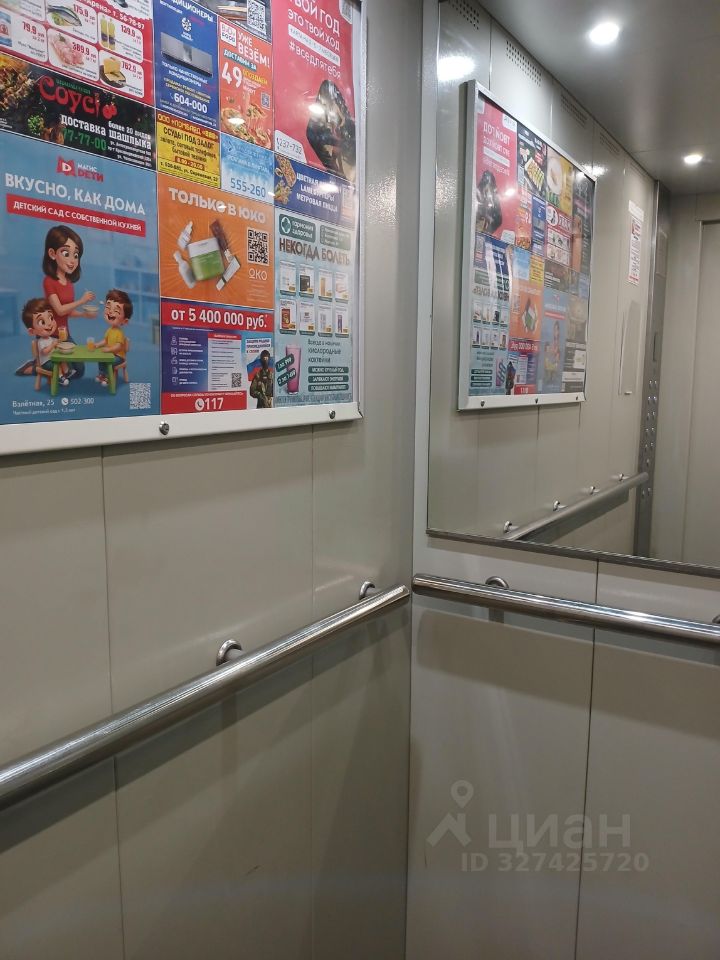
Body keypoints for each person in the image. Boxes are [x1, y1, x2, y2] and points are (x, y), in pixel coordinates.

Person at [42, 225, 97, 378]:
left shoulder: (69, 283)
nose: (72, 261)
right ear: (52, 254)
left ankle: (58, 367)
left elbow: (68, 312)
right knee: (61, 369)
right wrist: (82, 301)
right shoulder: (49, 282)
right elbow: (59, 310)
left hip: (65, 334)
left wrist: (83, 315)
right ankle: (36, 365)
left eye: (76, 255)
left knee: (79, 371)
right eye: (66, 253)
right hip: (51, 335)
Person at [21, 297, 70, 386]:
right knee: (57, 364)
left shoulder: (51, 338)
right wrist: (53, 345)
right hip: (46, 362)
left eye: (50, 318)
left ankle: (67, 372)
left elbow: (57, 344)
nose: (49, 323)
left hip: (53, 358)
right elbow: (45, 352)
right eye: (42, 322)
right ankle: (60, 377)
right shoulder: (41, 341)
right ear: (32, 331)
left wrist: (61, 339)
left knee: (62, 359)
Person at [94, 289, 132, 387]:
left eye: (116, 310)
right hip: (111, 353)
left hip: (119, 356)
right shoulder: (109, 330)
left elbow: (118, 347)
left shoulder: (119, 333)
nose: (110, 312)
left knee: (109, 361)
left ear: (124, 321)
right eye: (108, 307)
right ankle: (102, 374)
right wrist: (97, 345)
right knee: (101, 358)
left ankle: (108, 377)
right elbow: (105, 340)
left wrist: (108, 350)